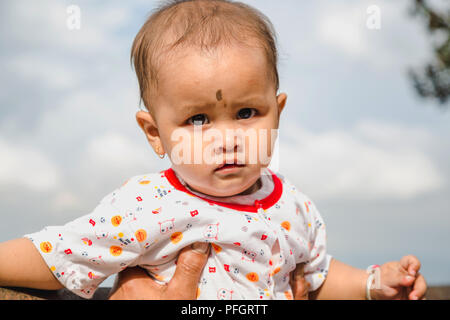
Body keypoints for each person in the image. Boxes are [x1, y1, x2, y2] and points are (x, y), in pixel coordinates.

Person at [0, 0, 426, 300]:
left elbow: (317, 278)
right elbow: (58, 253)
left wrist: (373, 283)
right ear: (155, 133)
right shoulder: (150, 207)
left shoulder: (295, 205)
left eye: (246, 112)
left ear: (277, 113)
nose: (227, 137)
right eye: (198, 120)